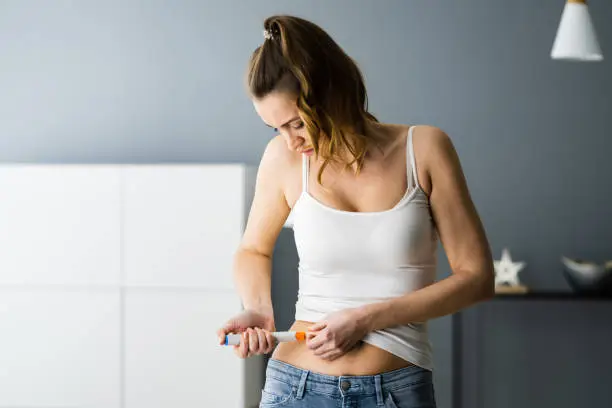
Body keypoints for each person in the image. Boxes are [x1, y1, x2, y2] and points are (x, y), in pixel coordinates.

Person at [217, 14, 494, 408]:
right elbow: (252, 250)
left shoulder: (425, 150)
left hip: (395, 392)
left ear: (330, 93)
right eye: (275, 129)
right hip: (293, 389)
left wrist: (367, 319)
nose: (290, 141)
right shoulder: (284, 159)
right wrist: (257, 308)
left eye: (297, 123)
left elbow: (477, 278)